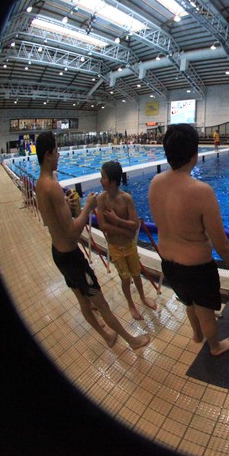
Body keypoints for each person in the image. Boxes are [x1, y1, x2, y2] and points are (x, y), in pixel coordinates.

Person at [34, 131, 150, 351]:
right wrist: (87, 206)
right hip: (72, 258)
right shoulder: (52, 186)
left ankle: (107, 336)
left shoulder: (41, 184)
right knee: (101, 303)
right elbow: (72, 232)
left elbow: (49, 220)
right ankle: (132, 341)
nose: (59, 155)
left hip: (58, 253)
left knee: (84, 301)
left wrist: (66, 206)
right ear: (48, 154)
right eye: (56, 151)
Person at [148, 124, 229, 356]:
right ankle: (215, 347)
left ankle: (197, 335)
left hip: (169, 264)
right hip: (196, 268)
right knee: (205, 312)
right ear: (195, 153)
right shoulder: (201, 191)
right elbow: (221, 242)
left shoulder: (155, 182)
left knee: (188, 303)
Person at [95, 160, 158, 320]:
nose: (100, 180)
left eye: (103, 177)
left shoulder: (126, 198)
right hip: (115, 247)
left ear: (112, 181)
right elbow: (103, 226)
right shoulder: (101, 199)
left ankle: (143, 298)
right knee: (125, 278)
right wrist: (124, 229)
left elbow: (135, 224)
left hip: (129, 246)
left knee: (136, 274)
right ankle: (131, 304)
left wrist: (116, 220)